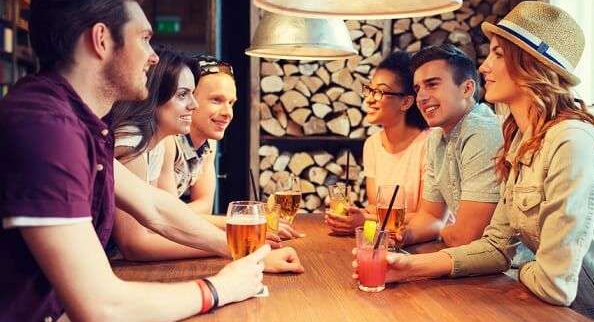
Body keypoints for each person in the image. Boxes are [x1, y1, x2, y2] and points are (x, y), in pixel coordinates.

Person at [356, 1, 594, 322]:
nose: (484, 65)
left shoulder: (571, 142)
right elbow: (495, 246)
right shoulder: (521, 142)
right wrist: (408, 268)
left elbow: (553, 283)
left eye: (498, 54)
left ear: (531, 65)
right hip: (580, 318)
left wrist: (521, 267)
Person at [0, 0, 301, 322]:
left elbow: (155, 207)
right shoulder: (46, 127)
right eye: (144, 38)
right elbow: (101, 307)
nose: (153, 55)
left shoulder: (75, 121)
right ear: (101, 40)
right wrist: (218, 288)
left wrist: (245, 252)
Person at [163, 56, 303, 240]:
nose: (228, 113)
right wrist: (247, 222)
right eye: (216, 100)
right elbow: (169, 218)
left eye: (231, 103)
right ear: (188, 98)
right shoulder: (167, 140)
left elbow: (204, 205)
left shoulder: (208, 143)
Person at [396, 44, 503, 248]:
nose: (420, 98)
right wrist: (404, 235)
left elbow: (468, 237)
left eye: (432, 84)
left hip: (511, 272)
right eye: (418, 89)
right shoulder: (435, 137)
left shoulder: (482, 131)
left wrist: (443, 231)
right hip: (472, 263)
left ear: (467, 89)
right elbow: (430, 216)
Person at [324, 51, 429, 235]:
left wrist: (365, 220)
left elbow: (426, 216)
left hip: (422, 245)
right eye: (370, 89)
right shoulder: (372, 145)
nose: (369, 98)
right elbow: (375, 207)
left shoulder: (429, 144)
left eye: (380, 91)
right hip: (383, 240)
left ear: (405, 101)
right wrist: (353, 217)